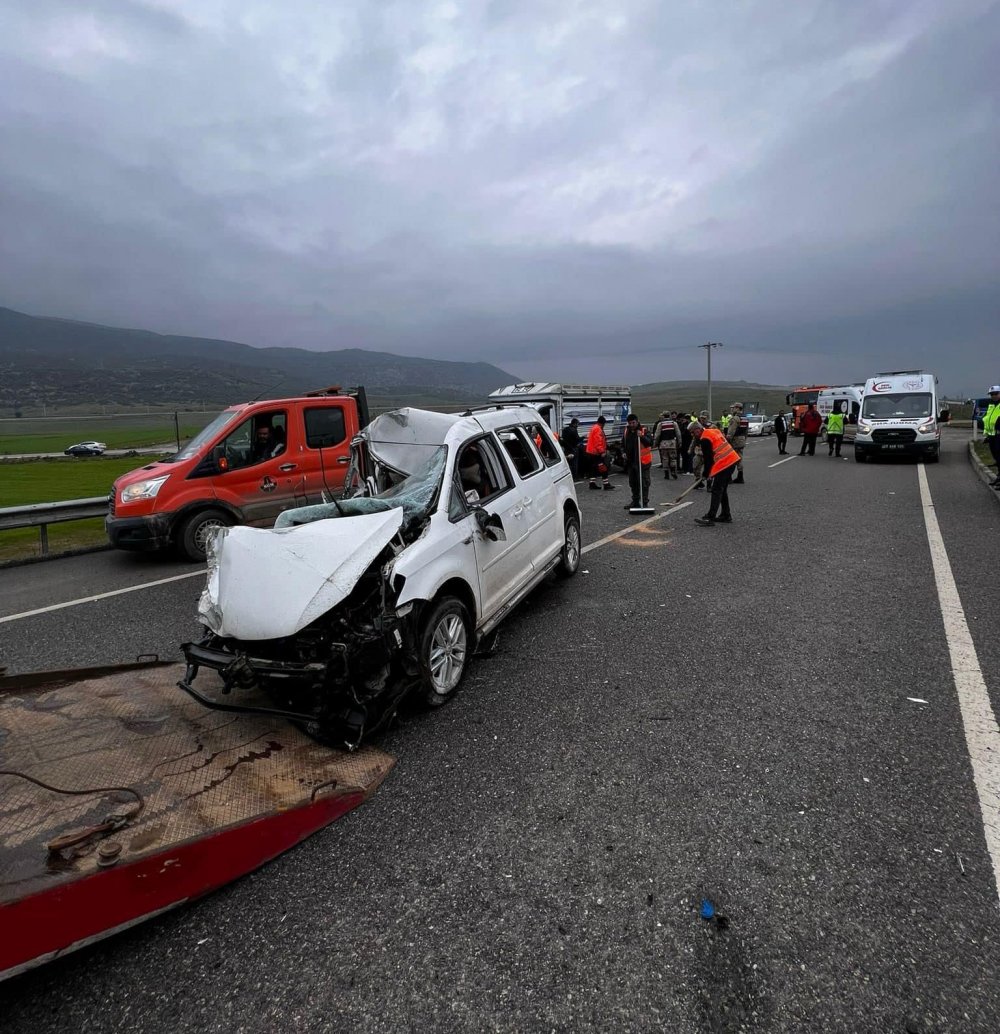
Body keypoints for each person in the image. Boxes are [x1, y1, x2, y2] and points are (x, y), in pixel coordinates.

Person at [691, 423, 740, 526]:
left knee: (716, 490)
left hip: (724, 463)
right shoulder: (714, 431)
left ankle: (710, 517)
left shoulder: (704, 439)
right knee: (722, 490)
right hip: (732, 460)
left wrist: (705, 473)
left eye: (693, 432)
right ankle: (726, 515)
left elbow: (708, 459)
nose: (692, 435)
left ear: (698, 430)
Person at [622, 413, 653, 510]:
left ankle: (644, 502)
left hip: (643, 462)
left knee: (644, 483)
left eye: (633, 423)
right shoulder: (626, 431)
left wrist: (642, 436)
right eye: (630, 423)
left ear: (637, 421)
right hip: (631, 462)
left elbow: (650, 442)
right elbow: (623, 443)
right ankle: (635, 502)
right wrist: (623, 452)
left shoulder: (643, 430)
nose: (631, 425)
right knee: (633, 483)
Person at [586, 415, 614, 490]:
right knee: (603, 467)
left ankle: (592, 483)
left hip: (591, 452)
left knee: (594, 468)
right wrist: (602, 451)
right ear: (603, 423)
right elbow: (598, 442)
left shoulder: (594, 427)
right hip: (596, 453)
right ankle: (606, 484)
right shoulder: (598, 429)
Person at [652, 410, 680, 479]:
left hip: (663, 444)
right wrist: (679, 442)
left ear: (663, 416)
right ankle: (673, 471)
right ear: (669, 415)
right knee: (673, 458)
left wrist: (655, 443)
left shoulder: (660, 424)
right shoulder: (674, 423)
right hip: (672, 443)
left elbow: (657, 435)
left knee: (665, 458)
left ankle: (666, 474)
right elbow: (678, 434)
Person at [982, 385, 1000, 488]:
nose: (993, 396)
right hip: (992, 436)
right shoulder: (991, 405)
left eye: (995, 394)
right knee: (996, 458)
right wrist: (988, 436)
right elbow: (988, 420)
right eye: (991, 394)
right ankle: (999, 477)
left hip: (999, 435)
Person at [725, 402, 748, 483]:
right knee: (739, 458)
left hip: (734, 441)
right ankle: (740, 476)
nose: (732, 409)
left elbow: (731, 431)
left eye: (734, 408)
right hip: (742, 440)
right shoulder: (745, 418)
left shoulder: (735, 418)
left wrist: (727, 441)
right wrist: (744, 439)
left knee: (730, 458)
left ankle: (729, 477)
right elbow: (746, 431)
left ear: (738, 408)